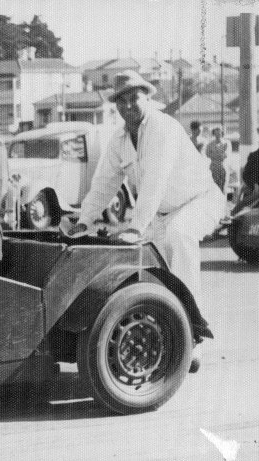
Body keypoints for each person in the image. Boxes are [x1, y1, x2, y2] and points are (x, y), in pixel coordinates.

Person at [68, 70, 225, 323]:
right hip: (161, 214)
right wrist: (84, 220)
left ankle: (192, 330)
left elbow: (156, 181)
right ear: (115, 105)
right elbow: (103, 183)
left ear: (147, 99)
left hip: (199, 200)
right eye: (121, 100)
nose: (128, 105)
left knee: (179, 236)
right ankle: (168, 332)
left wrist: (136, 227)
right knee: (152, 270)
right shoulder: (119, 139)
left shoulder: (163, 127)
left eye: (134, 97)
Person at [204, 126, 230, 193]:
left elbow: (225, 155)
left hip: (223, 167)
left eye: (219, 133)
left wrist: (215, 154)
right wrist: (220, 153)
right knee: (214, 187)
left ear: (222, 133)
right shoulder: (210, 144)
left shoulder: (226, 143)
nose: (218, 135)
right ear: (214, 134)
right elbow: (207, 154)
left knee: (223, 187)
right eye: (216, 133)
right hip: (213, 167)